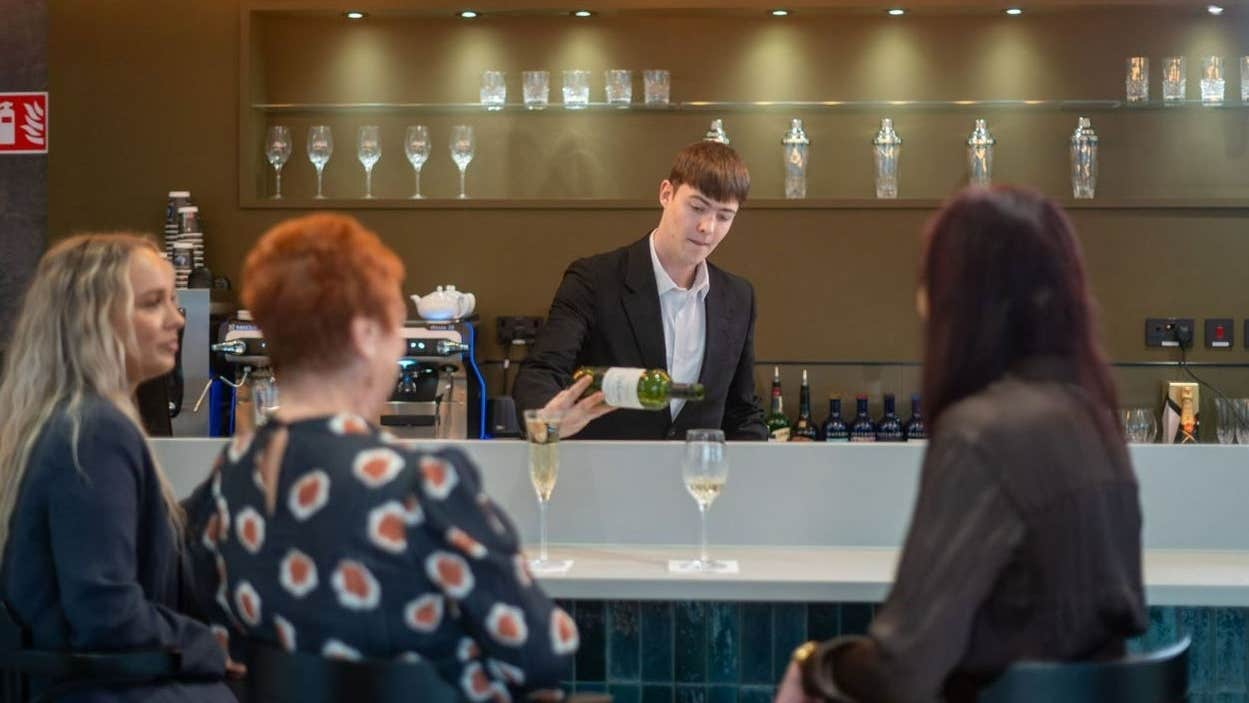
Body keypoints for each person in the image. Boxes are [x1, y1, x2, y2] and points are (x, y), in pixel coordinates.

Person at [186, 214, 601, 700]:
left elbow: (218, 644)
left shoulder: (223, 484)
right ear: (365, 335)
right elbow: (542, 649)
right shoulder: (422, 483)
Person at [775, 187, 1147, 703]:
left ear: (958, 297)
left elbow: (900, 672)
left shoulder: (980, 436)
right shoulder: (1092, 417)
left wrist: (813, 665)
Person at [0, 234, 235, 702]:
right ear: (90, 322)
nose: (177, 319)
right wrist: (208, 647)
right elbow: (107, 611)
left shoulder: (63, 421)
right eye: (153, 304)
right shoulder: (94, 430)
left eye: (173, 301)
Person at [513, 141, 768, 440]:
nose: (707, 228)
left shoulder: (738, 297)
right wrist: (548, 420)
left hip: (694, 482)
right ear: (666, 194)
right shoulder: (593, 280)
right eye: (697, 207)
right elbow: (540, 373)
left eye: (724, 216)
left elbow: (741, 410)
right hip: (605, 479)